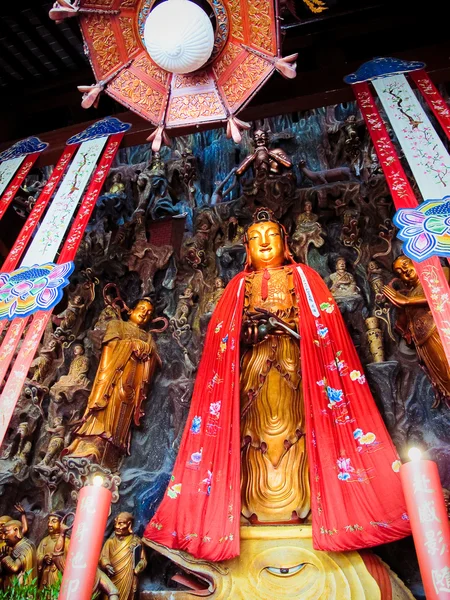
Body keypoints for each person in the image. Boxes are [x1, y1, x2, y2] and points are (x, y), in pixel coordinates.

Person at [144, 208, 410, 562]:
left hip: (299, 369)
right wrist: (248, 332)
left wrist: (293, 328)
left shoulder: (303, 276)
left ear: (287, 245)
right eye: (255, 238)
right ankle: (248, 509)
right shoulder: (239, 286)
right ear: (246, 250)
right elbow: (221, 337)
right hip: (251, 371)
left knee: (296, 432)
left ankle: (309, 508)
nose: (264, 243)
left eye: (272, 236)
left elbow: (325, 326)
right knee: (253, 436)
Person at [62, 298, 161, 470]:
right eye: (142, 308)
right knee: (106, 410)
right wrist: (131, 345)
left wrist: (148, 352)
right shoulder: (117, 325)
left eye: (149, 313)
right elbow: (109, 349)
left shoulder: (148, 338)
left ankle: (112, 451)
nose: (144, 313)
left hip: (133, 386)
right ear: (131, 310)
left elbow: (154, 363)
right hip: (112, 379)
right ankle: (91, 445)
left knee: (122, 417)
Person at [383, 255, 450, 408]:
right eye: (399, 272)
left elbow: (439, 293)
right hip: (425, 343)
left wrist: (407, 301)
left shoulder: (440, 272)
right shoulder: (411, 294)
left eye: (406, 264)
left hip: (443, 329)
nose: (404, 271)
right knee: (445, 379)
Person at [100, 512, 146, 600]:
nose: (117, 526)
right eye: (116, 523)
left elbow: (143, 560)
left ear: (129, 525)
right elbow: (103, 557)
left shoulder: (136, 541)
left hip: (127, 578)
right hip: (111, 577)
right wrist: (107, 565)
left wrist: (137, 568)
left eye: (121, 523)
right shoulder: (110, 542)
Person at [0, 520, 37, 587]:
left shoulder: (26, 546)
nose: (3, 537)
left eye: (6, 533)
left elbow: (15, 567)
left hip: (21, 588)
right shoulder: (14, 547)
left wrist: (4, 557)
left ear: (16, 530)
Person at [36, 512, 69, 588]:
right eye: (49, 521)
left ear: (62, 523)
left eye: (54, 521)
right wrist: (44, 558)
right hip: (45, 576)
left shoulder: (67, 541)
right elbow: (37, 556)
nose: (49, 524)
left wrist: (56, 560)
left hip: (58, 577)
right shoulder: (44, 541)